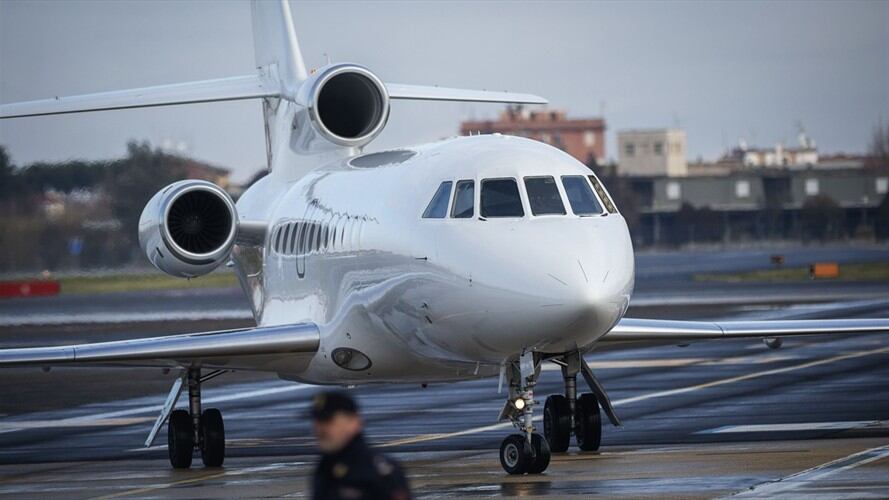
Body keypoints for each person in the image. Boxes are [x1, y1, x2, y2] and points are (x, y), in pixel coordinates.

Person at [309, 390, 412, 500]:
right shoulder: (325, 467)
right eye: (317, 421)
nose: (319, 429)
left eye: (328, 420)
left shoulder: (377, 472)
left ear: (354, 422)